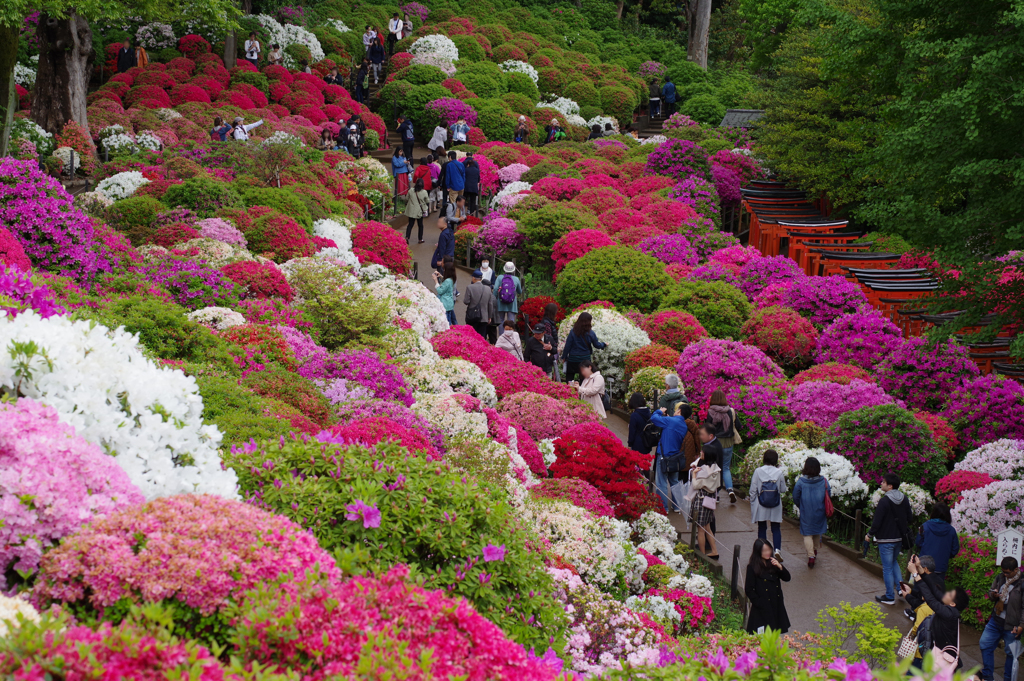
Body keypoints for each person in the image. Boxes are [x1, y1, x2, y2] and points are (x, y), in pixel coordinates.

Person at [867, 472, 912, 606]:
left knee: (887, 568)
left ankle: (889, 596)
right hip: (899, 538)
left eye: (883, 482)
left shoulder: (884, 501)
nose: (881, 483)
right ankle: (901, 590)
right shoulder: (904, 498)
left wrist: (869, 534)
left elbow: (877, 521)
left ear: (890, 486)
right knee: (894, 562)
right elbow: (909, 518)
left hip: (886, 540)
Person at [978, 557, 1024, 681]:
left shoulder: (1021, 583)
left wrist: (1021, 625)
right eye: (1003, 571)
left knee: (1011, 653)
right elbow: (991, 593)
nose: (1005, 574)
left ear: (1016, 569)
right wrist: (993, 594)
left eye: (1008, 572)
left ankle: (1008, 678)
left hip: (1012, 625)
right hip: (996, 620)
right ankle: (988, 676)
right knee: (985, 644)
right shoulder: (1000, 578)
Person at [915, 566, 969, 672]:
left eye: (949, 594)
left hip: (941, 660)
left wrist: (915, 576)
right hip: (940, 653)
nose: (945, 594)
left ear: (953, 603)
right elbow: (935, 591)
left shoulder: (949, 614)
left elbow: (931, 600)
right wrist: (921, 572)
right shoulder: (950, 609)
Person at [650, 402, 697, 515]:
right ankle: (676, 506)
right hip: (675, 457)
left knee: (661, 483)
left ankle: (663, 507)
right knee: (675, 482)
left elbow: (654, 418)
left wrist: (659, 411)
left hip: (664, 456)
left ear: (679, 411)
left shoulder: (671, 421)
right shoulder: (683, 425)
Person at [744, 538, 791, 635]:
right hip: (762, 607)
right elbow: (749, 589)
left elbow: (787, 578)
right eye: (764, 551)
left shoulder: (773, 563)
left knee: (774, 634)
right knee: (761, 635)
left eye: (769, 549)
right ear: (758, 552)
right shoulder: (752, 567)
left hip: (776, 603)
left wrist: (780, 567)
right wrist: (759, 602)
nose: (767, 553)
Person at [690, 423, 722, 559]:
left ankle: (702, 553)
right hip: (710, 500)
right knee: (708, 527)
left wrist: (694, 475)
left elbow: (696, 485)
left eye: (702, 452)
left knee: (700, 529)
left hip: (701, 500)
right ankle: (714, 550)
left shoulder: (704, 471)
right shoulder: (716, 469)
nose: (701, 454)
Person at [791, 456, 830, 568]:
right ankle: (814, 550)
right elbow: (829, 495)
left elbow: (795, 496)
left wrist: (801, 505)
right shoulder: (824, 481)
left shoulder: (801, 482)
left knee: (807, 533)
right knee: (817, 531)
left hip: (806, 511)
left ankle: (811, 556)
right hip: (820, 511)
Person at [749, 448, 787, 555]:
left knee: (762, 527)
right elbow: (783, 489)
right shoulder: (779, 472)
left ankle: (762, 551)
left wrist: (753, 502)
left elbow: (753, 490)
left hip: (761, 503)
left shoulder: (758, 471)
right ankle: (777, 551)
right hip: (775, 504)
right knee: (775, 528)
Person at [706, 389, 740, 502]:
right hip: (728, 442)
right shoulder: (730, 411)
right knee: (725, 468)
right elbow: (738, 426)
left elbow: (708, 429)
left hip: (715, 443)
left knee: (714, 468)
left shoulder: (710, 411)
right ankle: (730, 489)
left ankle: (716, 494)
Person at [916, 503, 960, 576]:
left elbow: (918, 543)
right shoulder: (951, 530)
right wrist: (945, 554)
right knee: (937, 586)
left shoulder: (925, 526)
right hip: (941, 566)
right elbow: (955, 549)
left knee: (921, 586)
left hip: (924, 564)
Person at [560, 312, 606, 382]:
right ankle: (582, 392)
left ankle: (569, 391)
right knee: (584, 380)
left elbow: (567, 346)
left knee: (569, 379)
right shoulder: (591, 333)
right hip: (585, 359)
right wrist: (604, 344)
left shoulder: (573, 332)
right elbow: (597, 345)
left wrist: (564, 357)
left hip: (573, 359)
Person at [901, 555, 946, 620]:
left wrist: (907, 596)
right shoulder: (936, 579)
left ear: (925, 569)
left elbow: (921, 602)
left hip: (930, 612)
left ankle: (915, 616)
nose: (916, 569)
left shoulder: (928, 582)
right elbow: (921, 595)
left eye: (918, 567)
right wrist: (910, 591)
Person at [464, 270, 496, 339]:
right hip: (484, 317)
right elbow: (490, 304)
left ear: (474, 278)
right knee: (481, 337)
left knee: (471, 337)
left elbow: (466, 301)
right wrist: (489, 316)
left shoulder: (469, 287)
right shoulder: (488, 289)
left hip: (472, 317)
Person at [431, 201, 459, 271]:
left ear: (445, 224)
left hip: (445, 259)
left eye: (439, 222)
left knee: (442, 277)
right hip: (450, 257)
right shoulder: (450, 231)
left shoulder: (443, 234)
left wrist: (440, 260)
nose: (438, 224)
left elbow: (442, 248)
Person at [404, 179, 429, 243]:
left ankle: (407, 237)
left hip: (411, 210)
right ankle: (420, 239)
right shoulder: (424, 192)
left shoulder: (411, 190)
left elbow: (406, 198)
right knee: (420, 225)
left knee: (410, 224)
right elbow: (427, 201)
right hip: (419, 211)